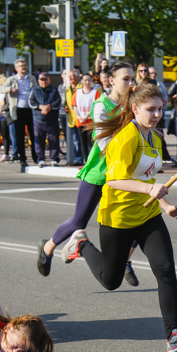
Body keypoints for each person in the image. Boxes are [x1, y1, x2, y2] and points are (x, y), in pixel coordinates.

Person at [60, 83, 177, 352]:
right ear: (135, 108)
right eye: (150, 109)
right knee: (111, 281)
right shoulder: (126, 137)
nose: (156, 114)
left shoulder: (154, 137)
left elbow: (148, 177)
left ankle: (173, 334)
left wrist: (166, 206)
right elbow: (114, 180)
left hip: (147, 215)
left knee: (165, 270)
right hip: (118, 218)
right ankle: (81, 245)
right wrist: (149, 189)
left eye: (160, 109)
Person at [37, 62, 140, 282]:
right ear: (111, 80)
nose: (131, 83)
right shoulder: (102, 104)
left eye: (133, 79)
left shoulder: (133, 103)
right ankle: (47, 248)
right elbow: (104, 143)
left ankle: (125, 261)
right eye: (126, 79)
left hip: (125, 172)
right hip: (101, 171)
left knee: (140, 218)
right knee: (79, 221)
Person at [0, 58, 34, 171]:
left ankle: (36, 157)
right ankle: (22, 159)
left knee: (33, 135)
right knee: (19, 136)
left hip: (30, 109)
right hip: (17, 110)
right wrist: (10, 89)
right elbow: (1, 89)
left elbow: (36, 89)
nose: (24, 67)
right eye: (21, 66)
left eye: (25, 65)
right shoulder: (12, 79)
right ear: (16, 68)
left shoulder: (31, 78)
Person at [29, 71, 62, 168]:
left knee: (54, 140)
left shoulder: (54, 90)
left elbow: (58, 102)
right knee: (39, 141)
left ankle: (54, 159)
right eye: (41, 80)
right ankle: (41, 159)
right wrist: (41, 107)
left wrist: (49, 107)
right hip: (38, 120)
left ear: (49, 80)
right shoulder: (34, 90)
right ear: (38, 81)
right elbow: (31, 102)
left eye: (45, 79)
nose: (44, 82)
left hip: (52, 120)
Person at [72, 73, 101, 166]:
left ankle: (92, 161)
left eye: (89, 80)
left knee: (91, 142)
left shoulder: (95, 93)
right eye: (85, 80)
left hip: (90, 121)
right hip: (80, 121)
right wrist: (79, 116)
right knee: (83, 142)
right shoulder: (77, 92)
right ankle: (85, 161)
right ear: (82, 81)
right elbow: (74, 105)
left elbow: (96, 105)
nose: (87, 82)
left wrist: (87, 116)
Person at [62, 70, 82, 165]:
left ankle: (84, 160)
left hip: (81, 119)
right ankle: (78, 159)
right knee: (75, 141)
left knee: (83, 141)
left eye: (72, 76)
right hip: (72, 119)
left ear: (78, 77)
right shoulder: (67, 89)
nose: (70, 78)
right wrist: (65, 107)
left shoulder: (82, 88)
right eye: (69, 76)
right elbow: (66, 103)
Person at [0, 74, 14, 162]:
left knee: (6, 135)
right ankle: (6, 153)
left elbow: (5, 104)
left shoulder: (6, 93)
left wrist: (1, 109)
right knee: (3, 135)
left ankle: (6, 154)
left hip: (5, 116)